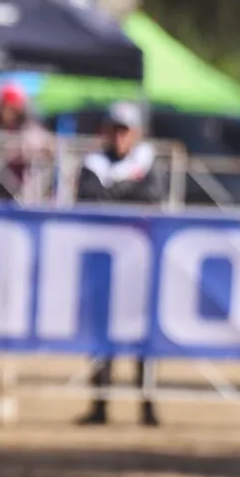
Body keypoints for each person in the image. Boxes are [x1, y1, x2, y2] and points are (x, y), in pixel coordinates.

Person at [74, 101, 160, 427]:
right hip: (103, 263)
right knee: (101, 336)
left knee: (143, 338)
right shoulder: (93, 164)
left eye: (125, 131)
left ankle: (147, 406)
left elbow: (151, 196)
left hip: (140, 263)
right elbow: (89, 198)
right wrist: (128, 190)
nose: (120, 137)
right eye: (115, 130)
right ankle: (100, 404)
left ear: (135, 133)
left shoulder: (147, 161)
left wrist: (114, 192)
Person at [0, 82, 53, 201]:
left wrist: (20, 149)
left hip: (22, 181)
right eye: (5, 107)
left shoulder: (30, 125)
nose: (9, 113)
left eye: (13, 108)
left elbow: (44, 145)